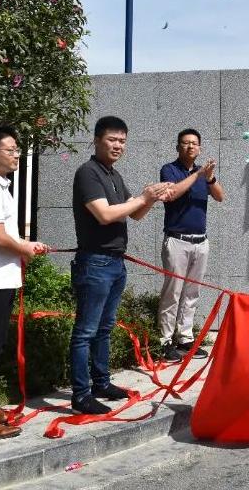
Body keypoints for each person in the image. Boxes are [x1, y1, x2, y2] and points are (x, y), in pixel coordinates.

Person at [70, 116, 171, 415]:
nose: (118, 146)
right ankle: (80, 395)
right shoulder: (88, 173)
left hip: (115, 263)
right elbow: (104, 215)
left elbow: (134, 213)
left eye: (123, 141)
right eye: (112, 140)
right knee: (85, 331)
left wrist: (151, 199)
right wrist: (143, 197)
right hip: (95, 262)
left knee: (105, 328)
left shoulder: (114, 175)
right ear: (96, 140)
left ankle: (101, 383)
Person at [0, 126, 48, 439]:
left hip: (1, 278)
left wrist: (25, 247)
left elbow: (5, 235)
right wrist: (24, 248)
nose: (17, 154)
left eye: (17, 149)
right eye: (10, 149)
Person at [158, 129, 224, 363]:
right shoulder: (169, 169)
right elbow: (172, 193)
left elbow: (220, 196)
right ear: (178, 147)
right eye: (185, 143)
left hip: (200, 241)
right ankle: (165, 341)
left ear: (200, 148)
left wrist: (210, 177)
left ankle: (185, 338)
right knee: (172, 293)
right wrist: (197, 175)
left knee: (192, 293)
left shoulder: (203, 174)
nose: (190, 147)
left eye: (194, 143)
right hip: (177, 240)